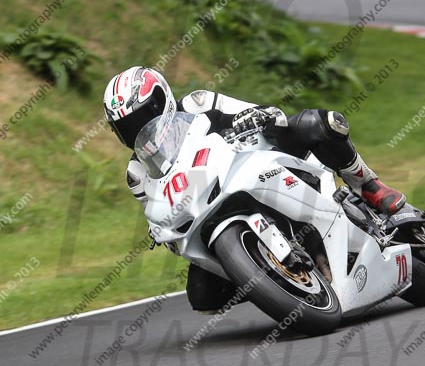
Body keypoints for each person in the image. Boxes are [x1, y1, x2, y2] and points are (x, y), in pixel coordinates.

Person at [104, 66, 406, 312]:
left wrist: (254, 117)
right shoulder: (137, 173)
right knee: (202, 297)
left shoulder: (198, 103)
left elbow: (266, 112)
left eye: (143, 116)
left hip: (265, 158)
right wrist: (165, 234)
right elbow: (161, 214)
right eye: (127, 127)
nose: (137, 129)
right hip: (213, 204)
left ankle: (370, 186)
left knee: (317, 123)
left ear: (161, 100)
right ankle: (271, 275)